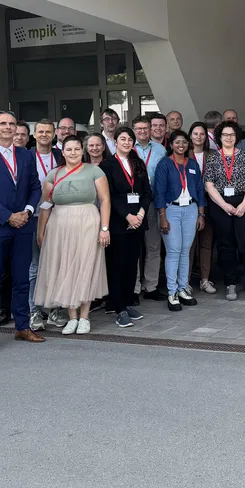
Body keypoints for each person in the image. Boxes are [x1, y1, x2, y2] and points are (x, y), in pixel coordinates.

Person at [0, 111, 45, 354]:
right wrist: (7, 216)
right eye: (2, 124)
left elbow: (35, 187)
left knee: (22, 280)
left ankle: (22, 327)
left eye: (11, 124)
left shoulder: (25, 155)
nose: (7, 127)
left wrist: (26, 210)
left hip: (23, 226)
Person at [33, 135, 111, 335]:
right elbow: (45, 206)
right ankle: (72, 316)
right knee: (65, 267)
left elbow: (104, 201)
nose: (73, 153)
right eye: (69, 149)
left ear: (82, 150)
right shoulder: (54, 174)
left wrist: (104, 228)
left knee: (85, 267)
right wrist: (41, 232)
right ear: (63, 151)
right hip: (59, 225)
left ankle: (84, 317)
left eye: (77, 149)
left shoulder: (95, 171)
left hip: (87, 222)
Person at [204, 120, 245, 301]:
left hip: (243, 201)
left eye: (231, 135)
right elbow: (209, 184)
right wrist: (224, 205)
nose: (228, 138)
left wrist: (244, 204)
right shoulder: (214, 158)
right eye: (225, 135)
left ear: (236, 136)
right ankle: (230, 284)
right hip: (220, 204)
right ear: (219, 137)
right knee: (226, 246)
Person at [104, 125, 150, 328]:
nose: (127, 142)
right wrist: (127, 216)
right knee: (118, 265)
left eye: (130, 139)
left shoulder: (138, 163)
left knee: (133, 265)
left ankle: (129, 301)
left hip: (138, 221)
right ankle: (119, 307)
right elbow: (110, 196)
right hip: (119, 222)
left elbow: (147, 192)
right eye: (122, 139)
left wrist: (140, 214)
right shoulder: (107, 165)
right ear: (115, 142)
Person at [154, 130, 205, 311]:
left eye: (184, 142)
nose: (181, 145)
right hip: (171, 210)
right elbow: (158, 192)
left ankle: (183, 288)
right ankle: (172, 291)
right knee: (174, 251)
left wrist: (201, 214)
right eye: (177, 142)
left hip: (191, 209)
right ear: (171, 144)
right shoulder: (164, 164)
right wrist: (162, 216)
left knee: (185, 251)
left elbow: (199, 189)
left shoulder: (192, 164)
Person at [28, 120, 65, 332]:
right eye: (40, 131)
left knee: (57, 266)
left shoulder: (61, 156)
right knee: (34, 267)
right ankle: (34, 311)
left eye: (48, 131)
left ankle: (54, 310)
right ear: (34, 134)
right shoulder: (25, 157)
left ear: (54, 134)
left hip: (58, 216)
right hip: (33, 217)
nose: (44, 135)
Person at [133, 114, 166, 300]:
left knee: (153, 246)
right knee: (135, 247)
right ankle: (135, 288)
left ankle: (151, 286)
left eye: (146, 128)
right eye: (139, 129)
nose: (143, 131)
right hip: (133, 205)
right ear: (134, 131)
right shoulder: (128, 148)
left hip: (153, 203)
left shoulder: (160, 149)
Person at [187, 122, 216, 293]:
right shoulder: (184, 154)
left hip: (210, 203)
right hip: (189, 203)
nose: (199, 137)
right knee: (189, 244)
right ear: (190, 136)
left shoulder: (213, 155)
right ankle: (186, 280)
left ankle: (205, 280)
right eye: (195, 134)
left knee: (206, 242)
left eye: (202, 134)